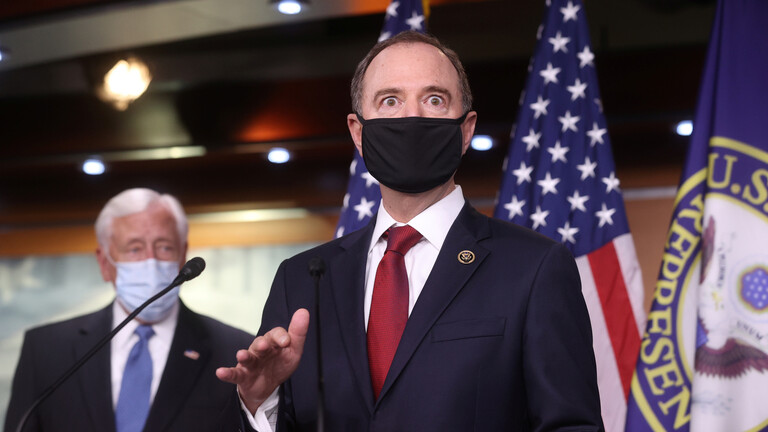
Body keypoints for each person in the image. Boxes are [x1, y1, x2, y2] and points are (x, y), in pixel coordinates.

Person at [216, 31, 604, 431]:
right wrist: (258, 404)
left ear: (466, 129)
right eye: (390, 101)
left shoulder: (535, 268)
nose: (411, 117)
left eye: (434, 100)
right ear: (358, 132)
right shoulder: (300, 279)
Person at [4, 188, 255, 432]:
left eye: (165, 247)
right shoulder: (45, 349)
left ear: (183, 257)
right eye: (134, 248)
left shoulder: (237, 351)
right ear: (104, 263)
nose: (151, 260)